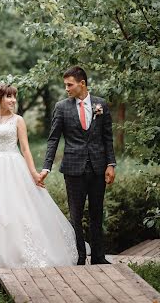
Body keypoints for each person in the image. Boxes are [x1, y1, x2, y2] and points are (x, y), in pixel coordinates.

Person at [0, 83, 78, 273]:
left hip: (13, 168)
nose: (13, 101)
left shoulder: (18, 120)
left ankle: (19, 255)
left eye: (14, 97)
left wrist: (34, 173)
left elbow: (26, 149)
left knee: (17, 210)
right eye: (9, 97)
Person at [39, 66, 116, 265]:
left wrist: (111, 164)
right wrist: (47, 166)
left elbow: (108, 137)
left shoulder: (101, 104)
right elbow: (53, 139)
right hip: (73, 169)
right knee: (76, 215)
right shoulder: (62, 107)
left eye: (69, 84)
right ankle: (80, 257)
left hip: (98, 168)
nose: (67, 88)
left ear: (82, 84)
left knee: (97, 214)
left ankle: (99, 257)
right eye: (65, 85)